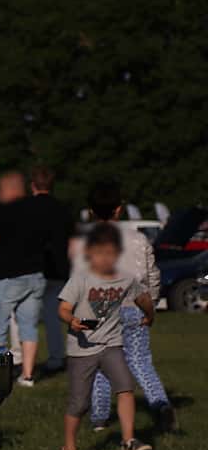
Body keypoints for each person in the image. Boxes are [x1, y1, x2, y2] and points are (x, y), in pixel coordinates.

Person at [57, 222, 154, 450]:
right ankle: (68, 448)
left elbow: (142, 297)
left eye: (110, 253)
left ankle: (128, 441)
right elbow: (63, 308)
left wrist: (149, 315)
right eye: (100, 252)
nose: (105, 258)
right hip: (82, 349)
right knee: (79, 403)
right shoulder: (80, 279)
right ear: (90, 253)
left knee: (126, 387)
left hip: (112, 344)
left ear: (118, 254)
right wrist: (72, 320)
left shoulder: (125, 279)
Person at [86, 181, 177, 434]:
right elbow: (152, 274)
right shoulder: (137, 239)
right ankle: (160, 405)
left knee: (102, 365)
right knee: (140, 362)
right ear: (119, 209)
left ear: (90, 211)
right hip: (135, 306)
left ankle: (99, 417)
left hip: (100, 310)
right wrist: (151, 304)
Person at [0, 170, 47, 387]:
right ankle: (27, 375)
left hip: (8, 276)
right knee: (29, 327)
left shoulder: (4, 211)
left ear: (8, 189)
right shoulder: (37, 210)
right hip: (35, 275)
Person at [31, 166, 77, 375]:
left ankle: (24, 359)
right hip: (59, 268)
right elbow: (72, 243)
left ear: (33, 185)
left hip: (32, 268)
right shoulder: (63, 209)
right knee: (55, 316)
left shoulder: (26, 208)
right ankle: (57, 357)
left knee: (26, 318)